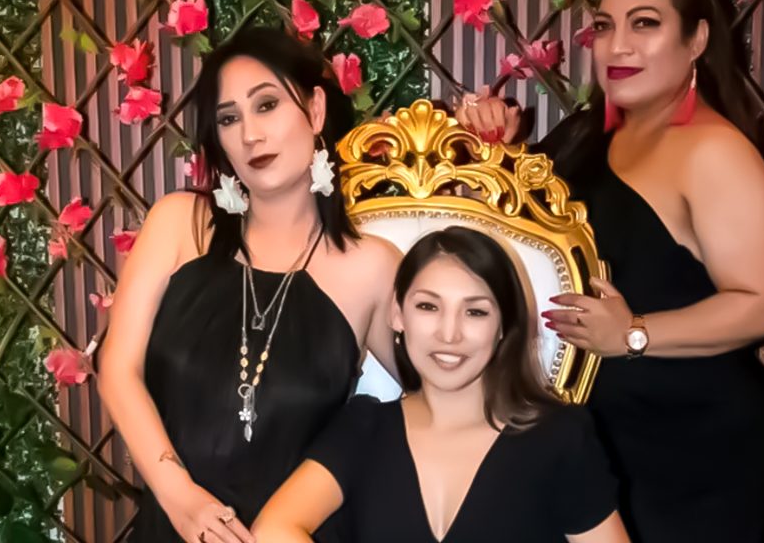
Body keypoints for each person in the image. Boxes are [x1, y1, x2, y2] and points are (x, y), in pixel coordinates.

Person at [455, 0, 764, 541]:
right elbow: (523, 240)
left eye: (644, 24)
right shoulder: (585, 134)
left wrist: (633, 333)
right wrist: (495, 149)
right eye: (604, 26)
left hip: (695, 458)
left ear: (697, 39)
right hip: (598, 443)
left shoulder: (713, 149)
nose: (617, 45)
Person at [96, 27, 401, 543]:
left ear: (316, 110)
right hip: (174, 526)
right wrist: (183, 501)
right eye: (229, 118)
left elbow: (444, 393)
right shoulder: (180, 225)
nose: (250, 135)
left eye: (267, 105)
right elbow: (118, 369)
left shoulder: (370, 267)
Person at [251, 226, 630, 543]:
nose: (449, 334)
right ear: (398, 314)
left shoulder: (558, 437)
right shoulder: (363, 429)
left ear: (503, 327)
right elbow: (273, 529)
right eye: (428, 307)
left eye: (475, 312)